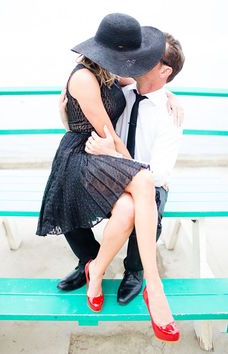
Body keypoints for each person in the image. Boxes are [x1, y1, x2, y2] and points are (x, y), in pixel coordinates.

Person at [36, 13, 180, 342]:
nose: (132, 64)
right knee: (143, 181)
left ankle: (97, 270)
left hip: (102, 152)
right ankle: (154, 290)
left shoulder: (111, 73)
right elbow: (109, 137)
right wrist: (135, 168)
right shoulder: (85, 78)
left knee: (132, 206)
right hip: (82, 153)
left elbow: (147, 88)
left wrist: (168, 96)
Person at [57, 32, 185, 307]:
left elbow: (158, 175)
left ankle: (135, 270)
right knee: (68, 192)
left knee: (147, 202)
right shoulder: (122, 89)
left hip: (145, 178)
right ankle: (89, 260)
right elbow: (84, 91)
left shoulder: (169, 115)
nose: (137, 59)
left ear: (164, 70)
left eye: (149, 57)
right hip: (107, 170)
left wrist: (113, 154)